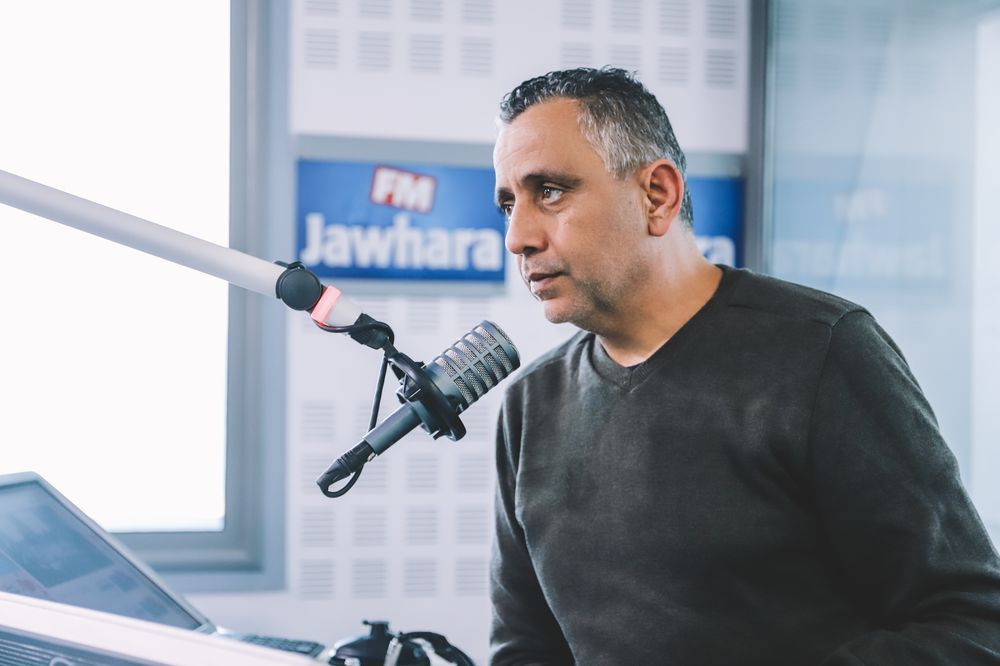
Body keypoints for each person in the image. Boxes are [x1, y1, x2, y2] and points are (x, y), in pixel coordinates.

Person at [488, 66, 1000, 665]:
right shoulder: (530, 405)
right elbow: (525, 650)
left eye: (550, 191)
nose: (517, 237)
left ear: (657, 195)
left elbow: (971, 623)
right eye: (508, 204)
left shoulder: (823, 352)